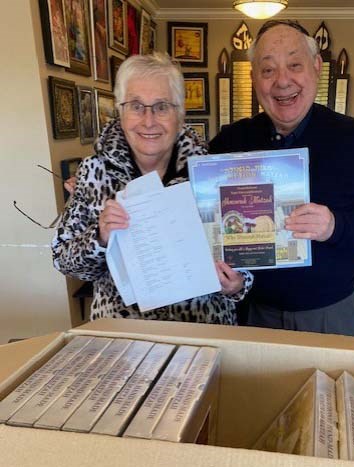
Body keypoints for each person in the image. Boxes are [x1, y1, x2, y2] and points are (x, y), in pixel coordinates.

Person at [209, 20, 354, 336]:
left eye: (294, 65)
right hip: (253, 312)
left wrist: (335, 225)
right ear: (253, 79)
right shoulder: (230, 143)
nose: (282, 81)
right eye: (268, 70)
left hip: (331, 315)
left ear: (316, 67)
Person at [52, 52, 253, 324]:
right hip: (125, 338)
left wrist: (237, 284)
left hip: (204, 332)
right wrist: (99, 237)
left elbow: (246, 251)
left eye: (161, 106)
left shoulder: (211, 173)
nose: (148, 120)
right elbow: (64, 260)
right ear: (120, 111)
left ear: (179, 114)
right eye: (136, 106)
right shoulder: (94, 171)